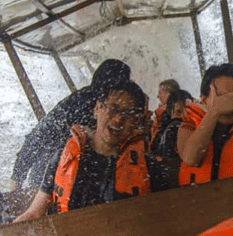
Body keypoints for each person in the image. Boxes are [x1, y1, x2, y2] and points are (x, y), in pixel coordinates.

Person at [13, 80, 167, 222]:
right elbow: (34, 213)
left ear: (135, 121)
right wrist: (2, 231)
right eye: (113, 109)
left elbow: (164, 219)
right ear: (97, 109)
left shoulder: (149, 168)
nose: (118, 120)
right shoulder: (63, 157)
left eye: (128, 114)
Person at [8, 59, 130, 190]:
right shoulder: (79, 102)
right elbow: (38, 137)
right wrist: (17, 179)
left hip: (74, 173)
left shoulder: (113, 110)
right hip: (49, 174)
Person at [151, 88, 194, 177]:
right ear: (170, 113)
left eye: (188, 111)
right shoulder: (174, 127)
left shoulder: (161, 131)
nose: (184, 116)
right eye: (179, 112)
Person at [150, 78, 180, 144]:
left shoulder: (166, 114)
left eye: (160, 93)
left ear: (168, 94)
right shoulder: (180, 110)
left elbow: (158, 139)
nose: (158, 96)